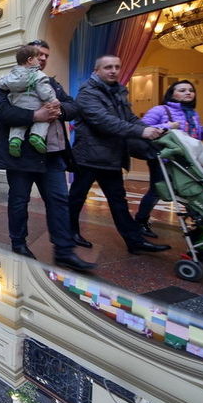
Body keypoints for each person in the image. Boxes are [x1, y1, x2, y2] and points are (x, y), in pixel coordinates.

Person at [0, 39, 95, 272]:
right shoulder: (7, 83)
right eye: (39, 54)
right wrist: (35, 116)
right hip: (21, 155)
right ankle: (18, 244)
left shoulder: (51, 83)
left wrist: (58, 109)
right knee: (19, 201)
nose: (43, 58)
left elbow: (73, 107)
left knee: (59, 201)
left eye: (46, 55)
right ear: (28, 57)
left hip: (53, 154)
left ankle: (64, 251)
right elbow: (1, 112)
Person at [67, 55, 171, 254]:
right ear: (97, 71)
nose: (113, 70)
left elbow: (129, 117)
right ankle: (70, 232)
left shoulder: (118, 91)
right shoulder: (87, 93)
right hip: (89, 156)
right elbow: (103, 121)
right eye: (108, 67)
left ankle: (134, 241)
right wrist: (141, 132)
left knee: (118, 201)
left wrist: (150, 129)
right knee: (76, 198)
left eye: (117, 67)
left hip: (111, 156)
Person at [135, 80, 203, 237]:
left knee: (192, 190)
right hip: (162, 159)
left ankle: (198, 221)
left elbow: (195, 139)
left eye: (190, 90)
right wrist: (168, 126)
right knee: (156, 191)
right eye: (182, 90)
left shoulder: (193, 113)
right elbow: (142, 129)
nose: (188, 93)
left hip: (185, 161)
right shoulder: (160, 110)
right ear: (172, 94)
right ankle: (140, 221)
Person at [0, 43, 58, 157]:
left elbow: (2, 84)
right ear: (30, 60)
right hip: (35, 105)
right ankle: (37, 135)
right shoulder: (37, 75)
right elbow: (44, 92)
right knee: (44, 118)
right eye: (37, 57)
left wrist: (0, 80)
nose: (40, 59)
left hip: (17, 105)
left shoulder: (11, 75)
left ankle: (15, 140)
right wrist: (52, 100)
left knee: (18, 124)